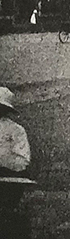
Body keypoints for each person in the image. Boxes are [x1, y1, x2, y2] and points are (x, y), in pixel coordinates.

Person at [0, 86, 33, 214]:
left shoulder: (16, 130)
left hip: (9, 180)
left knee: (7, 213)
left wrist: (4, 162)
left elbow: (23, 160)